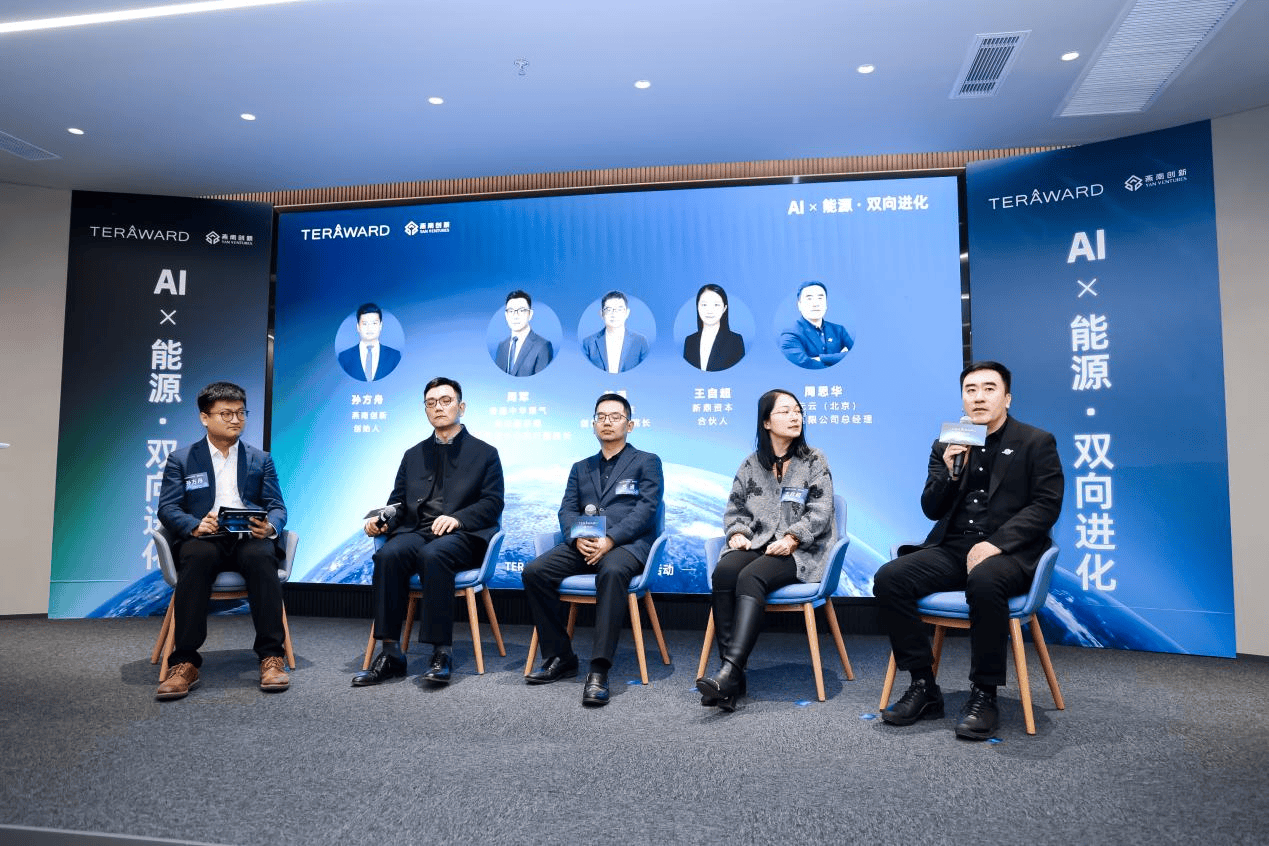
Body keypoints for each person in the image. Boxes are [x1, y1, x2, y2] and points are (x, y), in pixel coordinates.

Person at [874, 361, 1063, 740]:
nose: (978, 397)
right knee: (890, 578)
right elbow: (931, 509)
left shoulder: (1035, 442)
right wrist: (949, 473)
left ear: (1007, 398)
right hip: (953, 547)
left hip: (1009, 552)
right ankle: (924, 685)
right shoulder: (947, 443)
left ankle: (984, 694)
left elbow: (1046, 505)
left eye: (989, 389)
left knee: (985, 580)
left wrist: (995, 544)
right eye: (970, 390)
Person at [353, 377, 504, 687]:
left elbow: (493, 503)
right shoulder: (413, 454)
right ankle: (391, 653)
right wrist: (382, 521)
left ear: (461, 407)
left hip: (463, 537)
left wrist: (458, 519)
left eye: (446, 401)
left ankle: (441, 653)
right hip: (418, 531)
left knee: (433, 555)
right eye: (431, 403)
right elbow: (397, 503)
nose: (438, 407)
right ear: (425, 410)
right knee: (388, 555)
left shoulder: (485, 453)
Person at [696, 388, 836, 711]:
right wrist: (737, 533)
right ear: (766, 422)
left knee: (751, 577)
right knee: (725, 572)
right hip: (758, 543)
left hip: (801, 551)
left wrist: (792, 538)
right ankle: (731, 678)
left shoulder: (814, 460)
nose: (795, 416)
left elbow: (821, 511)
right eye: (786, 411)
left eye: (798, 411)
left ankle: (730, 672)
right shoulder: (750, 464)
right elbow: (734, 509)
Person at [522, 393, 664, 707]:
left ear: (630, 425)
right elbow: (567, 510)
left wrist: (610, 539)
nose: (607, 422)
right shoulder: (580, 467)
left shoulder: (647, 461)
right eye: (601, 416)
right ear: (593, 424)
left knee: (611, 572)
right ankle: (560, 656)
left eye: (615, 416)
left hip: (626, 545)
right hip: (584, 543)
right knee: (534, 573)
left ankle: (599, 669)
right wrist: (577, 538)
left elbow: (647, 510)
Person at [155, 381, 290, 700]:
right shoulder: (182, 459)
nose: (235, 420)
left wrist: (270, 526)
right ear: (205, 417)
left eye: (241, 413)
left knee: (261, 556)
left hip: (248, 536)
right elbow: (168, 508)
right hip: (205, 537)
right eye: (226, 413)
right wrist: (194, 525)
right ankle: (185, 662)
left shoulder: (260, 459)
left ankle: (272, 657)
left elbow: (277, 506)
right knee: (197, 557)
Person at [779, 281, 853, 369]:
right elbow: (805, 365)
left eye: (820, 298)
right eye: (809, 298)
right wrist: (841, 356)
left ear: (826, 304)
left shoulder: (839, 330)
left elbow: (856, 356)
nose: (815, 304)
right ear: (799, 305)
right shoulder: (790, 334)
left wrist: (822, 358)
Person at [582, 291, 649, 374]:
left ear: (627, 313)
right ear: (602, 313)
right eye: (608, 309)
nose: (614, 314)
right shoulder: (589, 343)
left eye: (619, 309)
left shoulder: (640, 342)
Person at [682, 283, 745, 372]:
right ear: (697, 307)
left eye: (716, 305)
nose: (709, 311)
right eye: (704, 305)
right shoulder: (689, 341)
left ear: (724, 308)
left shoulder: (735, 341)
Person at [495, 289, 554, 376]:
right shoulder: (501, 346)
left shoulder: (543, 346)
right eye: (511, 311)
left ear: (530, 314)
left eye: (521, 310)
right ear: (506, 315)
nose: (515, 316)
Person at [338, 303, 402, 382]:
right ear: (358, 327)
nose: (370, 328)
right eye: (365, 324)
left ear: (380, 325)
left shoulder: (394, 356)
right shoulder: (344, 357)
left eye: (374, 323)